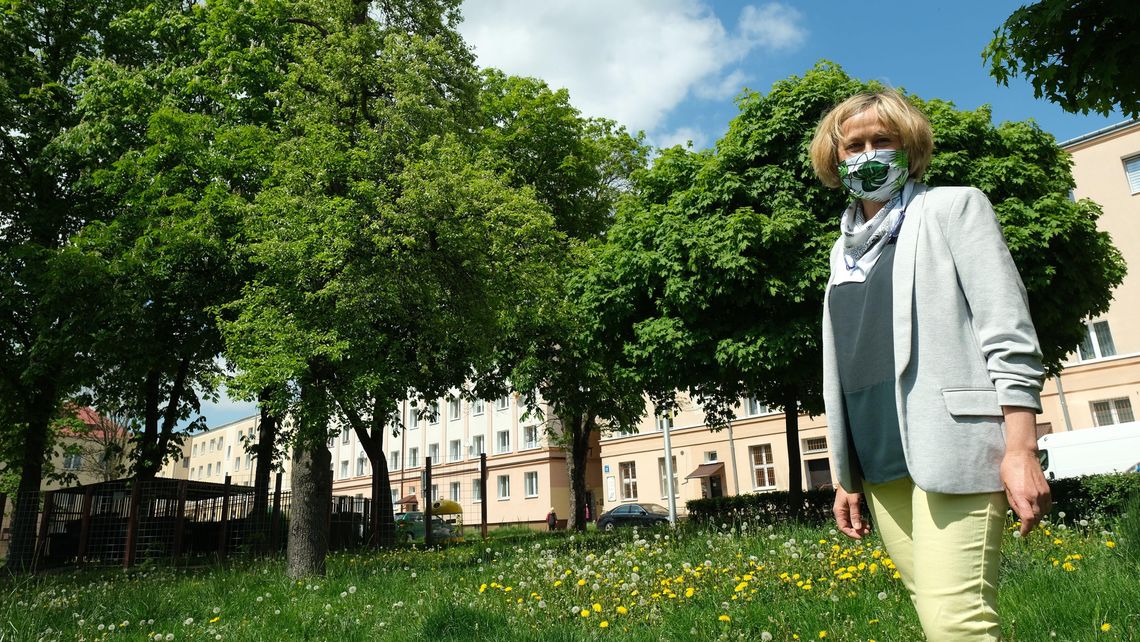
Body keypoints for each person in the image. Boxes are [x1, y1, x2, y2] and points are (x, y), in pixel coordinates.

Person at [809, 89, 1051, 641]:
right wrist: (846, 474)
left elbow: (1008, 333)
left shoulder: (952, 208)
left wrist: (1020, 449)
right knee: (934, 616)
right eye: (855, 145)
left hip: (954, 449)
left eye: (883, 140)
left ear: (908, 147)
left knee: (956, 626)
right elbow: (849, 362)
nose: (868, 154)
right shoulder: (842, 251)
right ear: (835, 157)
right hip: (878, 462)